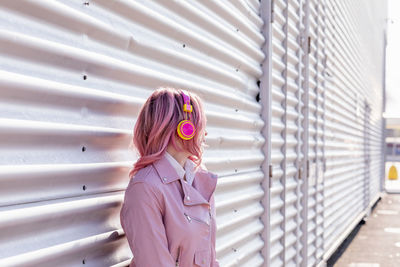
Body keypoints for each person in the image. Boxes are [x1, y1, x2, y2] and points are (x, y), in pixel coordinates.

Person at [120, 87, 220, 267]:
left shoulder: (200, 179)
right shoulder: (146, 188)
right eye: (200, 125)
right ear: (184, 129)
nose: (205, 134)